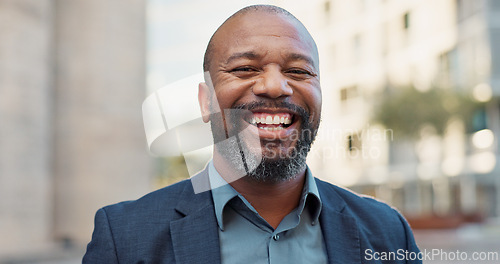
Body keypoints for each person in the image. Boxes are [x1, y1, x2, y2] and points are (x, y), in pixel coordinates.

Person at [83, 5, 421, 264]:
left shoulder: (389, 234)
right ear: (206, 102)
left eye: (298, 71)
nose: (275, 86)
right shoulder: (124, 237)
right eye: (245, 69)